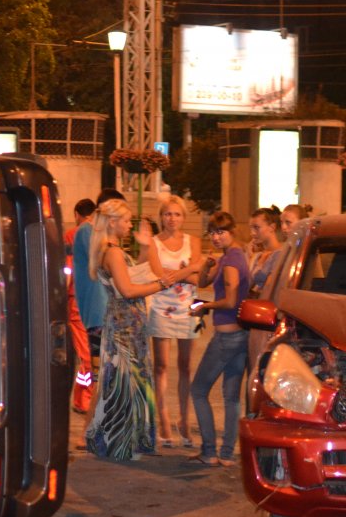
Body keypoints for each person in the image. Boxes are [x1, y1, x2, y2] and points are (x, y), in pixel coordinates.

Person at [85, 198, 167, 461]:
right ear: (112, 222)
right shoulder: (113, 252)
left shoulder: (111, 250)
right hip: (126, 323)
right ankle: (120, 441)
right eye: (127, 220)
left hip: (124, 321)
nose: (129, 225)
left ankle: (121, 440)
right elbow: (129, 290)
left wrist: (144, 249)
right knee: (127, 380)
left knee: (124, 379)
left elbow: (134, 277)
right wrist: (161, 284)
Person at [185, 211, 250, 467]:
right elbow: (202, 282)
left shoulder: (232, 260)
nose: (216, 236)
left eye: (221, 231)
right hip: (241, 334)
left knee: (198, 390)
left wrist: (205, 307)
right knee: (231, 396)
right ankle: (226, 455)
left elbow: (231, 301)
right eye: (212, 232)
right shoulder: (229, 257)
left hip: (226, 337)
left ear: (232, 231)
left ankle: (209, 451)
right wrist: (206, 266)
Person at [145, 195, 201, 448]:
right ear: (161, 217)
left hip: (187, 309)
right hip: (161, 308)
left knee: (186, 366)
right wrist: (186, 271)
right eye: (168, 214)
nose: (172, 219)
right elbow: (159, 276)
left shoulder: (194, 241)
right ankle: (163, 420)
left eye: (177, 214)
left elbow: (198, 278)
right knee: (161, 366)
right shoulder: (153, 243)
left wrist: (181, 274)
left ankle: (184, 420)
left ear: (184, 217)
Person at [71, 188, 125, 422]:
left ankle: (98, 426)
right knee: (99, 372)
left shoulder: (97, 233)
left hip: (102, 310)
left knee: (105, 372)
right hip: (96, 310)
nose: (127, 222)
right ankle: (90, 428)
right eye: (122, 216)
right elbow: (112, 268)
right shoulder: (88, 231)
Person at [64, 198, 97, 414]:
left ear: (77, 214)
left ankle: (84, 399)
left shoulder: (71, 235)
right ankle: (84, 397)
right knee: (89, 353)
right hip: (93, 301)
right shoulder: (98, 234)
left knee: (85, 354)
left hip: (76, 301)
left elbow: (67, 270)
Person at [248, 206, 283, 296]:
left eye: (256, 227)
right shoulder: (258, 255)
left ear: (272, 227)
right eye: (251, 228)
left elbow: (269, 290)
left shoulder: (280, 255)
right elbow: (246, 285)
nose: (252, 233)